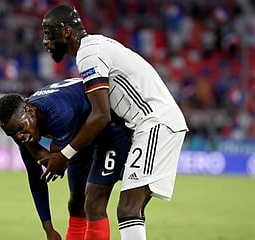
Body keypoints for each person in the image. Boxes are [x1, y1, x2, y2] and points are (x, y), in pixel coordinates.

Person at [39, 5, 188, 240]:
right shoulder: (96, 46)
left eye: (48, 33)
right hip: (148, 126)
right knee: (123, 207)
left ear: (66, 32)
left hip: (155, 123)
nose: (46, 41)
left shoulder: (89, 53)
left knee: (128, 208)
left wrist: (64, 155)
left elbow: (101, 115)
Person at [0, 78, 131, 240]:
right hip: (79, 137)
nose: (20, 136)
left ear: (29, 111)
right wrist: (48, 228)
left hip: (110, 130)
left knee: (94, 200)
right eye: (12, 135)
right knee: (76, 205)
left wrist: (42, 154)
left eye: (20, 129)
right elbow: (36, 178)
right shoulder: (19, 127)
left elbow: (57, 162)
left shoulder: (58, 113)